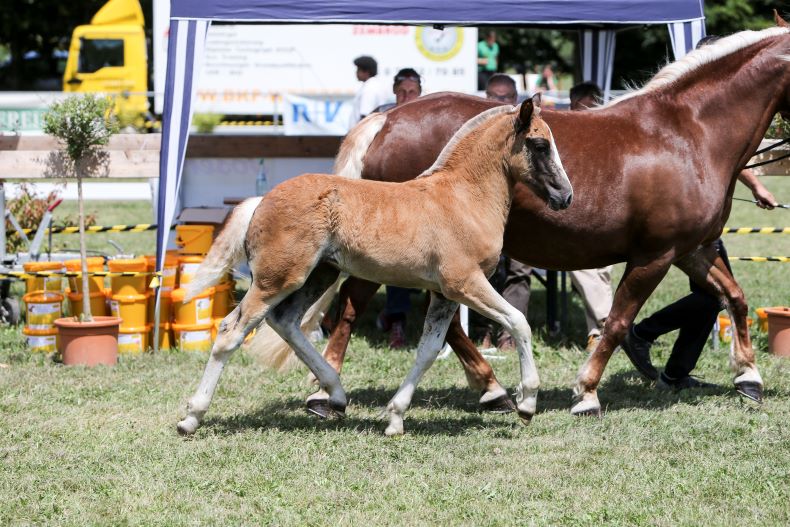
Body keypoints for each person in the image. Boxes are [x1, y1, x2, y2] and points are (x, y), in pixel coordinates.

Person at [621, 35, 780, 391]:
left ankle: (672, 370)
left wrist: (755, 186)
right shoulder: (697, 103)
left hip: (705, 217)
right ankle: (643, 334)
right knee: (717, 294)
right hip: (693, 219)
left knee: (710, 298)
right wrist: (757, 186)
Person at [375, 68, 423, 348]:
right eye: (402, 92)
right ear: (395, 93)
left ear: (420, 93)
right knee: (396, 263)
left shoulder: (429, 120)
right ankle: (397, 325)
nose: (407, 97)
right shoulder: (381, 117)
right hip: (387, 206)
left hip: (423, 206)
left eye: (412, 92)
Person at [567, 82, 615, 352]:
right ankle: (611, 327)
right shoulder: (561, 133)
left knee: (603, 273)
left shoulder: (607, 131)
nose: (587, 114)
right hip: (574, 214)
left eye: (592, 108)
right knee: (582, 266)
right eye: (581, 109)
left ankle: (597, 334)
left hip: (607, 212)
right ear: (571, 107)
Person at [348, 55, 391, 128]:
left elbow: (365, 116)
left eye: (358, 69)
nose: (356, 72)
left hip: (363, 134)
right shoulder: (375, 85)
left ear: (366, 72)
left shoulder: (369, 89)